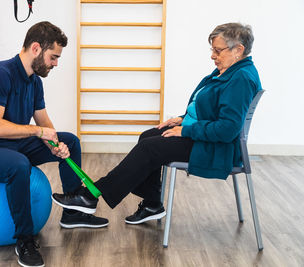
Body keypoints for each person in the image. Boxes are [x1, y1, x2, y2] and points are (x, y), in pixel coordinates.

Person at [52, 22, 262, 225]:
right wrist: (182, 118)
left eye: (218, 51)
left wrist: (186, 130)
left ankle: (90, 195)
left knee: (150, 148)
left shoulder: (241, 78)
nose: (213, 55)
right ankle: (152, 204)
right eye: (212, 50)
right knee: (148, 136)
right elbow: (209, 107)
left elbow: (228, 129)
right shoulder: (229, 70)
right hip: (204, 136)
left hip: (216, 148)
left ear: (238, 50)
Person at [0, 21, 108, 267]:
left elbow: (43, 123)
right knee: (19, 165)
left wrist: (56, 144)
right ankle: (25, 240)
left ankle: (72, 211)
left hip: (13, 144)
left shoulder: (34, 81)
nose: (56, 64)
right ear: (36, 48)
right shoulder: (0, 74)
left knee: (70, 139)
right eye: (53, 57)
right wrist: (39, 132)